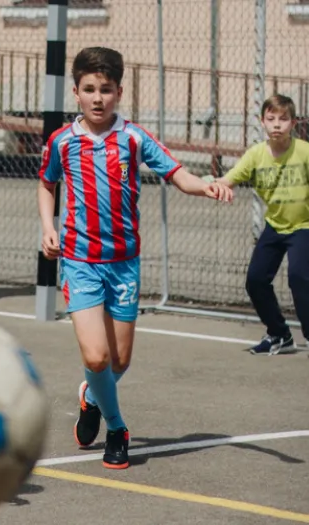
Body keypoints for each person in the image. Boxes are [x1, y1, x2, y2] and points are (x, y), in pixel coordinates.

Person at [37, 47, 233, 470]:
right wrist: (48, 226)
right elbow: (46, 183)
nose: (97, 98)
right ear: (75, 92)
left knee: (119, 360)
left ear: (119, 92)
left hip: (124, 263)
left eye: (106, 90)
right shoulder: (62, 141)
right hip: (79, 260)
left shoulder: (133, 138)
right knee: (96, 357)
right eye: (89, 89)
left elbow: (177, 174)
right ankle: (117, 429)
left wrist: (207, 185)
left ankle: (92, 397)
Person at [215, 94, 309, 355]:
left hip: (304, 226)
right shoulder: (256, 155)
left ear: (293, 123)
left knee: (300, 278)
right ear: (262, 122)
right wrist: (207, 184)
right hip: (275, 226)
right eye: (271, 119)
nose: (277, 124)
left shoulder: (304, 152)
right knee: (255, 280)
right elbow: (229, 179)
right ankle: (280, 334)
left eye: (283, 119)